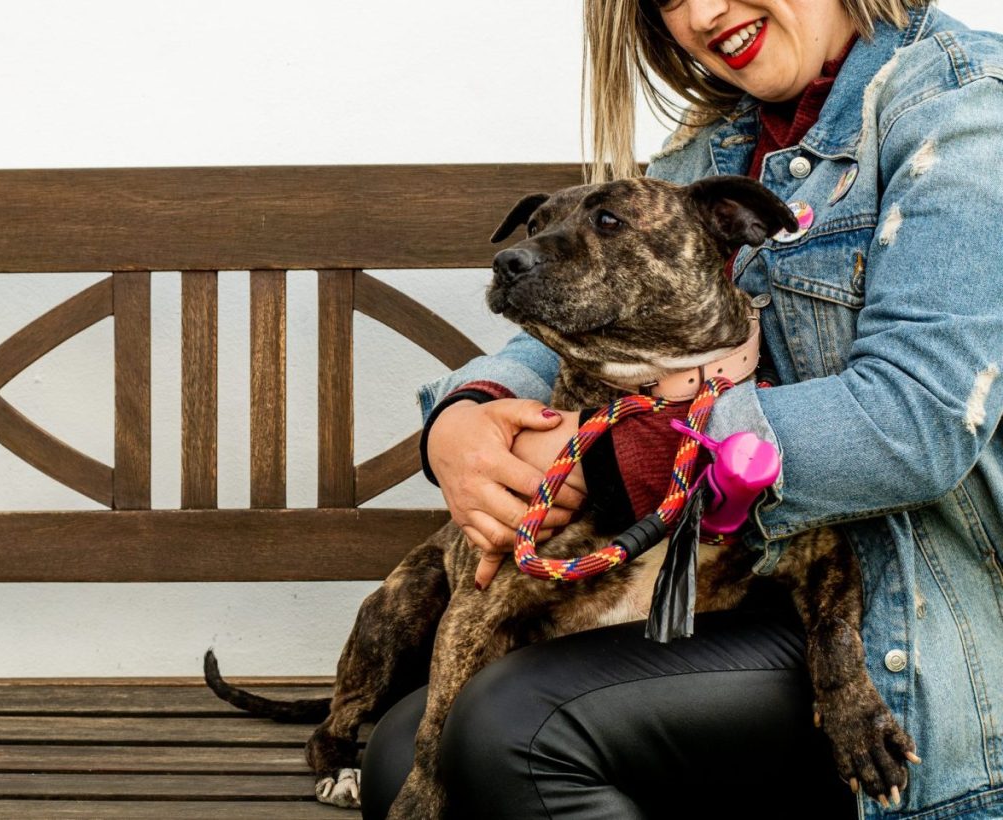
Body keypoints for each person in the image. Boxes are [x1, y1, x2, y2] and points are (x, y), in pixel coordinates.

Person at [360, 1, 1003, 817]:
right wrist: (466, 414)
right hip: (737, 600)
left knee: (511, 732)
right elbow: (599, 315)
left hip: (915, 631)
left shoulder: (964, 106)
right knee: (402, 756)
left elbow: (920, 418)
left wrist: (627, 458)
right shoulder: (719, 144)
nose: (702, 11)